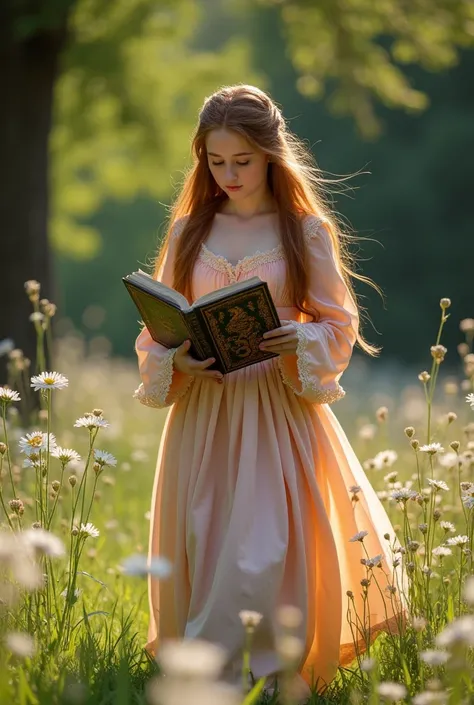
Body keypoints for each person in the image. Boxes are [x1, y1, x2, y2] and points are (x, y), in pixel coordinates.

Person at [133, 84, 404, 694]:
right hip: (206, 408)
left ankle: (279, 665)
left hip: (279, 408)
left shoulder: (304, 231)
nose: (228, 174)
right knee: (205, 532)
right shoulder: (188, 232)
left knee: (270, 541)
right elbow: (157, 326)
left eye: (243, 161)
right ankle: (206, 668)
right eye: (215, 161)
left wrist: (298, 338)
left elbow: (339, 325)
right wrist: (179, 359)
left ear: (271, 155)